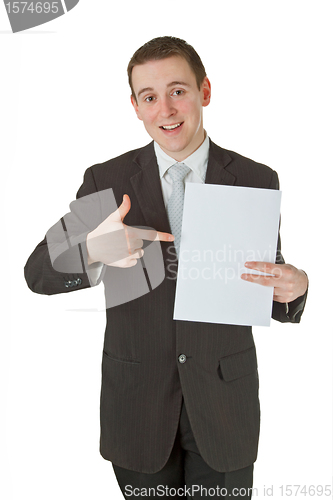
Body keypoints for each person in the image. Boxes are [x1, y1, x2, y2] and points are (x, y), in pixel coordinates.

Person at [24, 36, 308, 499]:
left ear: (205, 91)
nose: (166, 109)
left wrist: (295, 287)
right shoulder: (108, 181)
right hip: (137, 407)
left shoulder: (256, 179)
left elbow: (268, 277)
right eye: (149, 97)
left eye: (178, 91)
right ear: (135, 106)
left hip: (223, 408)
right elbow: (38, 271)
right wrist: (92, 250)